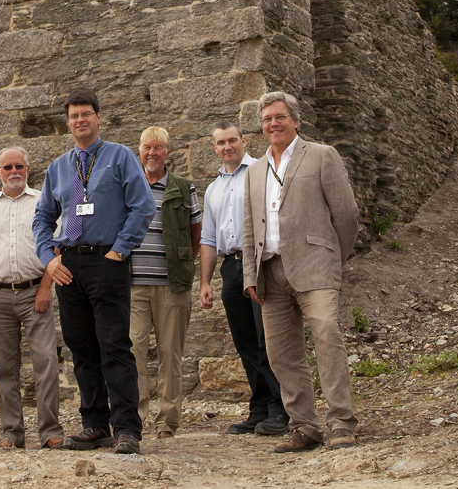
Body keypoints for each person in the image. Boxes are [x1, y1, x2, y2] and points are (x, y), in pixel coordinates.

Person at [33, 90, 155, 455]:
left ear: (99, 118)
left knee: (114, 346)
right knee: (81, 347)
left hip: (107, 261)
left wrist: (120, 249)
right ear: (67, 122)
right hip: (69, 265)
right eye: (74, 115)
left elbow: (143, 206)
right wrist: (48, 258)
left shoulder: (119, 157)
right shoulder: (59, 167)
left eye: (86, 113)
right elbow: (42, 217)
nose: (80, 120)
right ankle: (94, 424)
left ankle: (127, 429)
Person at [241, 91, 360, 453]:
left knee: (326, 334)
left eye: (279, 117)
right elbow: (249, 226)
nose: (273, 124)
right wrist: (250, 274)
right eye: (267, 120)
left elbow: (347, 215)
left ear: (295, 120)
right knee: (280, 353)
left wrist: (331, 257)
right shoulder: (256, 170)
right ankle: (304, 426)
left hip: (315, 266)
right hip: (270, 271)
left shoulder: (322, 156)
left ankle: (341, 422)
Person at [0, 146, 64, 450]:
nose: (13, 172)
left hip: (36, 292)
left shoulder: (43, 203)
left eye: (19, 166)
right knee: (4, 368)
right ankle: (12, 432)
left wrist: (46, 288)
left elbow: (55, 249)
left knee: (46, 363)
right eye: (7, 167)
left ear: (28, 169)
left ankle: (49, 431)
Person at [197, 121, 287, 436]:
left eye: (232, 140)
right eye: (220, 142)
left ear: (244, 140)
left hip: (260, 264)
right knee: (246, 342)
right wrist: (205, 281)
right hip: (230, 269)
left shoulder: (262, 173)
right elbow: (208, 238)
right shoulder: (212, 189)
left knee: (269, 340)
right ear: (214, 147)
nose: (227, 147)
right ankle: (260, 409)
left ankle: (282, 408)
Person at [129, 127, 201, 439]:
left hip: (173, 287)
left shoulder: (185, 188)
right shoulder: (127, 187)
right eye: (147, 148)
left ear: (167, 152)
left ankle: (167, 422)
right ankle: (135, 419)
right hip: (131, 286)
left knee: (171, 354)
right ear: (140, 151)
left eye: (158, 148)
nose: (152, 154)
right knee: (133, 352)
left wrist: (182, 263)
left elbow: (196, 234)